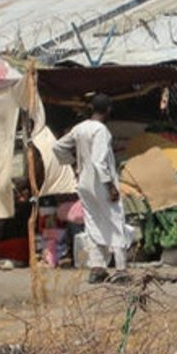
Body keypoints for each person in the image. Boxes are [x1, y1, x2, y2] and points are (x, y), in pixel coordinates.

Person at [57, 93, 127, 283]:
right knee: (115, 221)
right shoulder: (101, 130)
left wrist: (73, 163)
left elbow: (58, 147)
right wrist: (110, 186)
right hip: (100, 184)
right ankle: (121, 270)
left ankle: (97, 268)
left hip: (84, 183)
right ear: (109, 110)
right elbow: (98, 161)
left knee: (93, 224)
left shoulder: (79, 128)